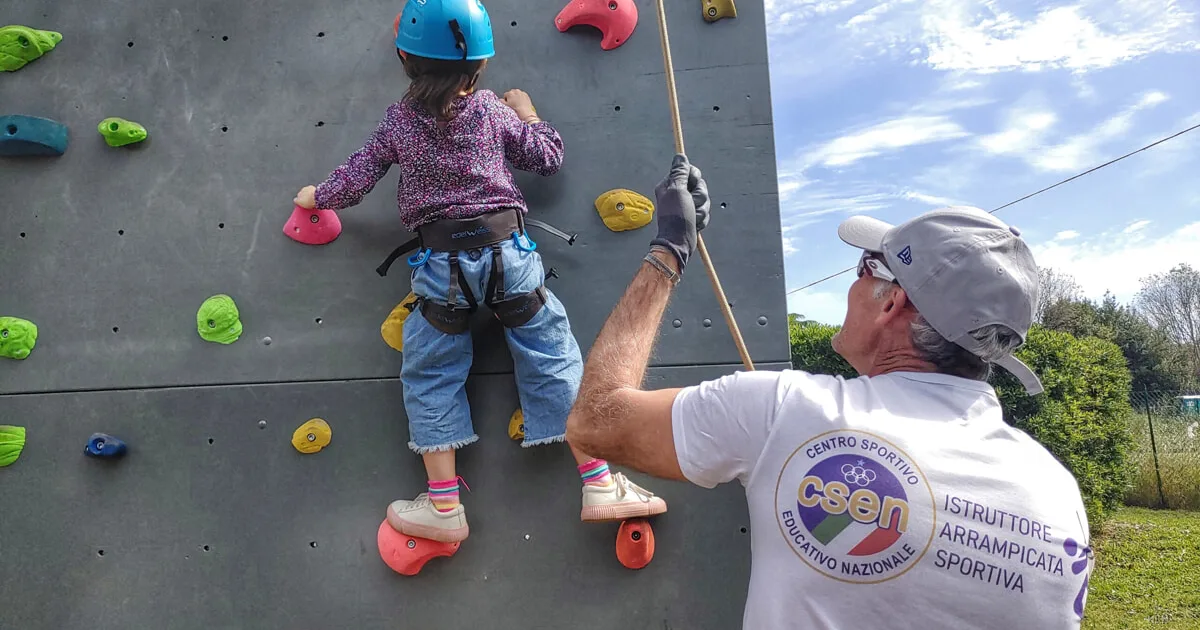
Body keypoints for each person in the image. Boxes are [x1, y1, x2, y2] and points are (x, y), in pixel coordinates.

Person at [566, 155, 1095, 629]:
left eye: (865, 267)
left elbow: (594, 420)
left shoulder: (790, 413)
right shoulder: (1055, 490)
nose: (851, 283)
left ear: (893, 305)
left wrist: (670, 251)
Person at [293, 0, 667, 544]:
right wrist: (527, 112)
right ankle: (599, 481)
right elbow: (547, 158)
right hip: (507, 254)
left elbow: (359, 175)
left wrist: (316, 195)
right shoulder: (492, 110)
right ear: (482, 65)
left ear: (404, 56)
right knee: (552, 358)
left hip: (440, 267)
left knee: (430, 374)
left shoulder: (399, 120)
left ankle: (445, 508)